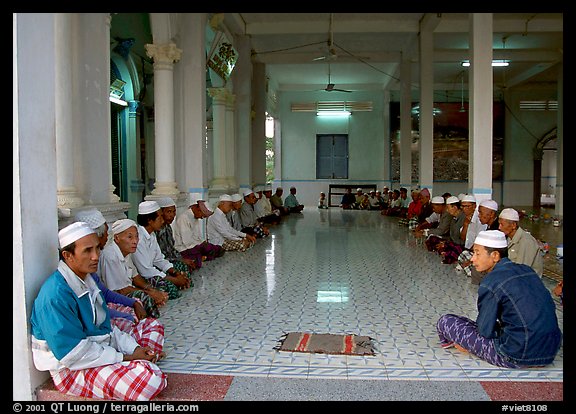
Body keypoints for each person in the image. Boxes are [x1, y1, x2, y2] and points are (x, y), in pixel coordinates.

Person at [30, 222, 167, 400]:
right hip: (71, 369)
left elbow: (106, 327)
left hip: (98, 348)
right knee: (149, 379)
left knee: (152, 327)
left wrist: (136, 348)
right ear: (67, 255)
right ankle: (143, 363)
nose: (95, 256)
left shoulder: (87, 278)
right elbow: (73, 354)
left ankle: (143, 359)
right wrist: (125, 357)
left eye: (97, 248)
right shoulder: (55, 295)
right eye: (87, 251)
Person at [437, 230, 562, 368]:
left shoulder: (492, 281)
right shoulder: (527, 270)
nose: (473, 259)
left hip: (515, 354)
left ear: (495, 255)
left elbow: (484, 331)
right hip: (549, 351)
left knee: (446, 321)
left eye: (478, 253)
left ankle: (458, 343)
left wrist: (472, 341)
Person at [75, 209, 148, 324]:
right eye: (87, 250)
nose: (95, 257)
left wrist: (134, 303)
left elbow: (105, 293)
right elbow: (94, 310)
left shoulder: (90, 273)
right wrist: (128, 317)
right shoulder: (63, 286)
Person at [99, 219, 169, 319]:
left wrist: (152, 290)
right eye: (130, 237)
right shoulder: (110, 256)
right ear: (117, 238)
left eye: (136, 236)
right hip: (114, 297)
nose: (135, 241)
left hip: (129, 290)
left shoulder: (126, 252)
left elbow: (135, 277)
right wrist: (150, 294)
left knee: (158, 287)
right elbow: (120, 290)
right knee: (143, 296)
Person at [132, 201, 191, 300]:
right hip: (143, 278)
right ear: (150, 220)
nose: (162, 221)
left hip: (154, 273)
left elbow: (159, 259)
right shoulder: (139, 239)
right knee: (171, 288)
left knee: (183, 273)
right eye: (160, 218)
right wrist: (174, 280)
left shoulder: (152, 234)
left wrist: (176, 273)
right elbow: (146, 271)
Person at [172, 194, 225, 269]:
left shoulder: (194, 217)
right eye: (202, 216)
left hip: (195, 246)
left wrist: (203, 243)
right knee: (196, 261)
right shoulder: (184, 218)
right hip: (185, 248)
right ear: (198, 209)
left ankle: (203, 257)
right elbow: (187, 242)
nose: (201, 218)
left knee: (218, 249)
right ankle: (202, 257)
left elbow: (198, 236)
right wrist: (201, 245)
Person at [155, 197, 198, 276]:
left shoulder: (168, 227)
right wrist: (180, 260)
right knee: (183, 270)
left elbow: (171, 249)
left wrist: (182, 259)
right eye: (169, 212)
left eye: (174, 211)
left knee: (191, 264)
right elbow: (159, 257)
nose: (172, 215)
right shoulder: (156, 231)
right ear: (161, 212)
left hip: (170, 260)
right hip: (161, 264)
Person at [498, 207, 544, 277]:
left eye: (502, 224)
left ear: (513, 225)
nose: (499, 227)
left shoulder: (526, 241)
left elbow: (521, 270)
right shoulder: (509, 238)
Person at [467, 199, 500, 284]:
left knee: (475, 268)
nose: (479, 216)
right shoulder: (489, 227)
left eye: (481, 213)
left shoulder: (496, 229)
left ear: (492, 214)